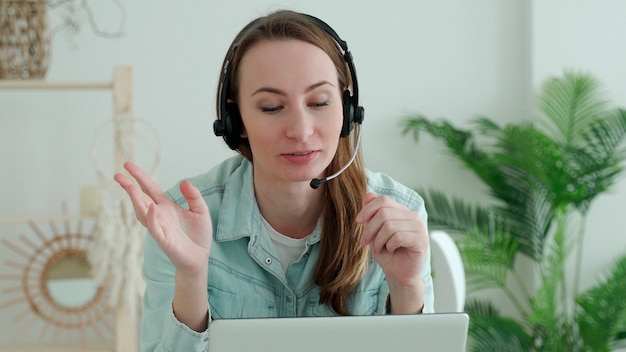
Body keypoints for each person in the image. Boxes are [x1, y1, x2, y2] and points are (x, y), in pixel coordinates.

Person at [114, 9, 434, 352]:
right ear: (236, 121)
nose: (300, 130)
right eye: (270, 107)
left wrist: (406, 286)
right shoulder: (179, 220)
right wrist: (192, 277)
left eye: (319, 102)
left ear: (348, 109)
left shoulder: (399, 214)